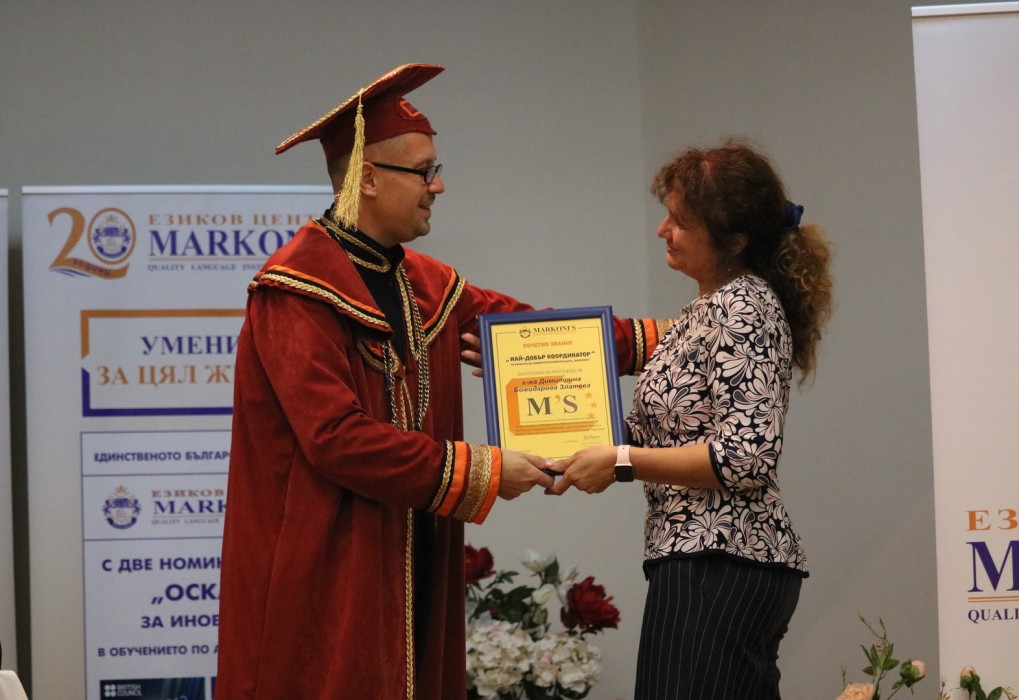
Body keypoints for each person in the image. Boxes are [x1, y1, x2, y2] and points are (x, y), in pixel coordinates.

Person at [215, 63, 666, 700]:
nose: (439, 185)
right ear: (368, 178)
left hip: (414, 552)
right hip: (326, 565)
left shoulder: (427, 286)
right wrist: (481, 469)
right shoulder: (296, 292)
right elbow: (335, 438)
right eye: (424, 171)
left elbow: (549, 337)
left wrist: (684, 335)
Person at [549, 140, 833, 699]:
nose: (663, 230)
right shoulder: (705, 310)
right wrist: (548, 411)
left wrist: (621, 461)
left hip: (722, 558)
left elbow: (746, 457)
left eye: (680, 222)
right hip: (701, 558)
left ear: (733, 240)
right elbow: (662, 434)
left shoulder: (743, 306)